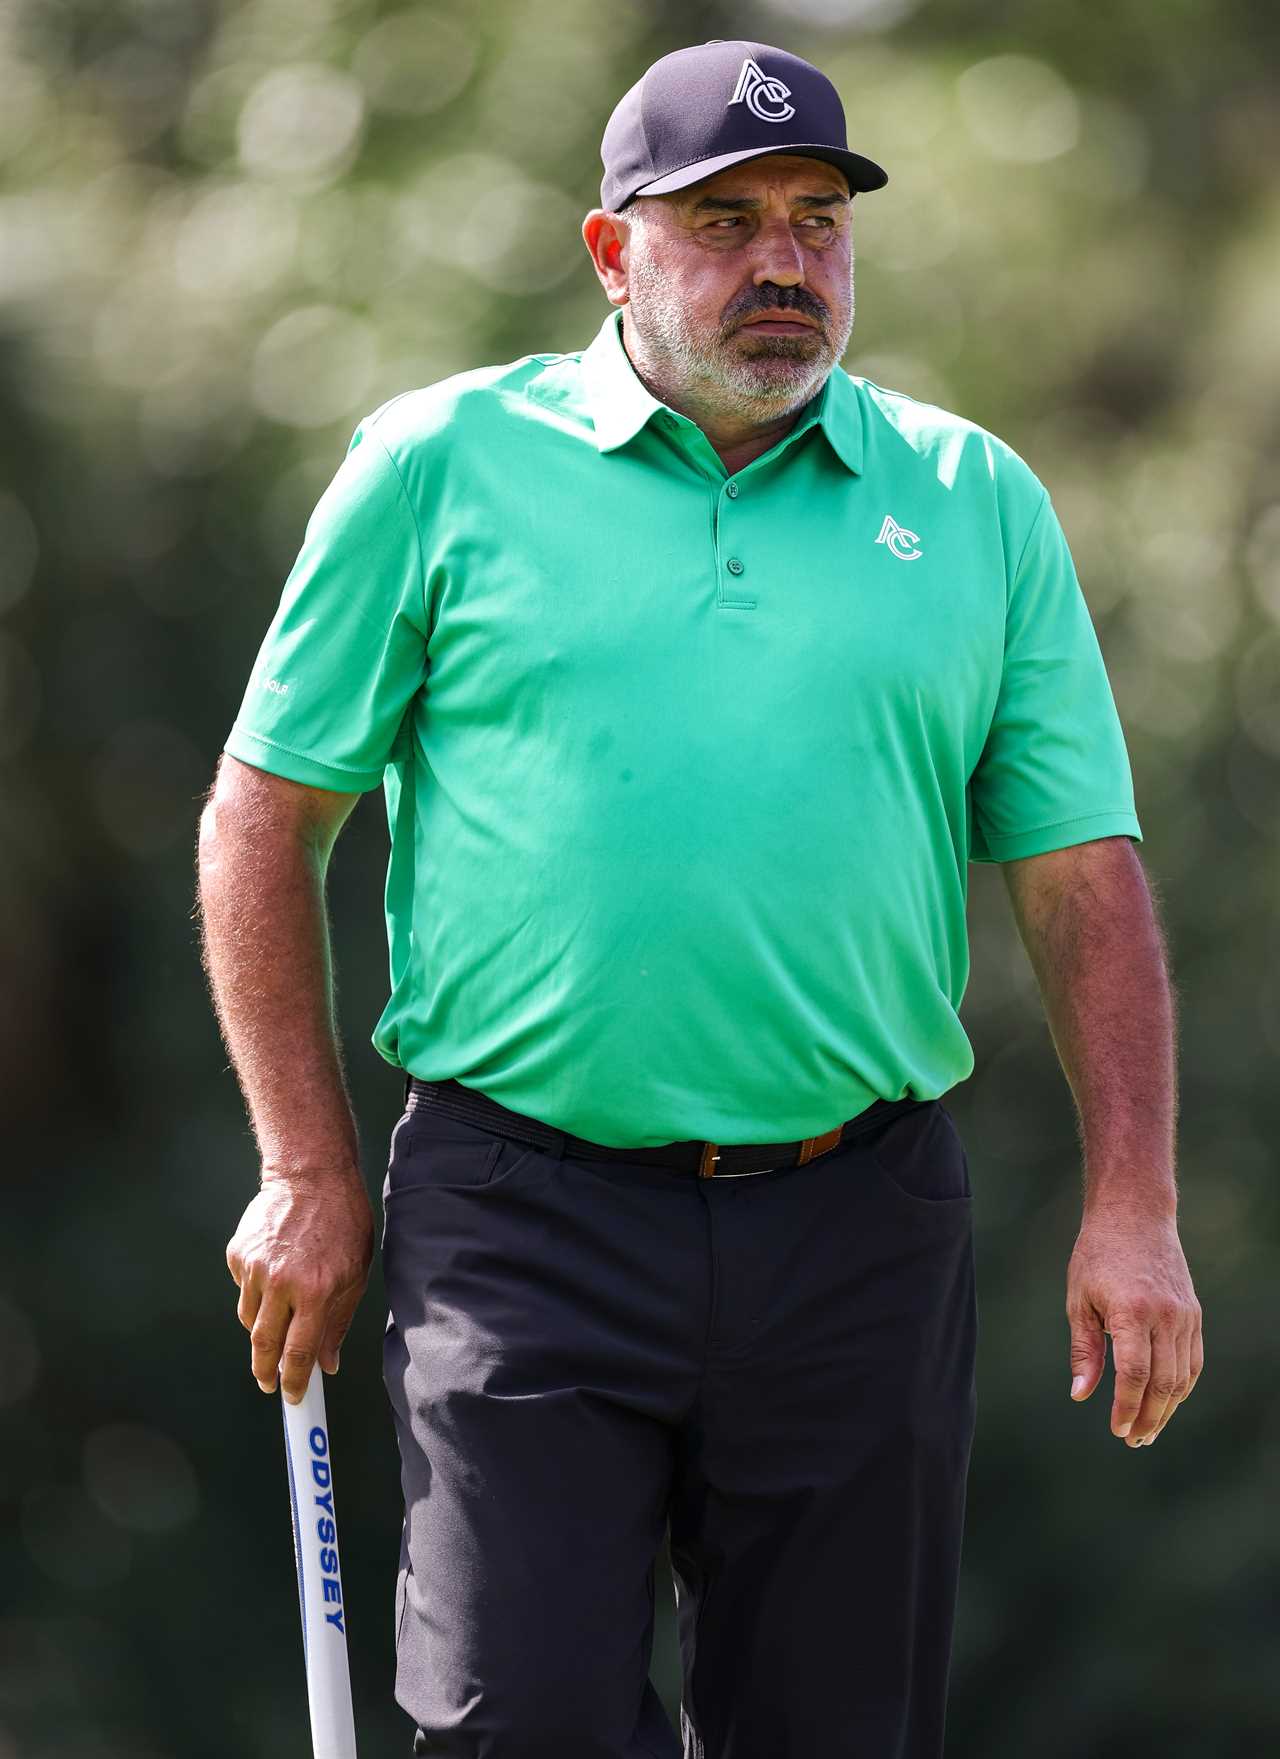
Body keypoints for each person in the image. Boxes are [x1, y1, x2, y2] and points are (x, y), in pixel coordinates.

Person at [197, 37, 1203, 1759]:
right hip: (522, 1217)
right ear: (614, 252)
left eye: (818, 221)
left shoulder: (971, 501)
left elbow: (1081, 870)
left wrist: (1135, 1202)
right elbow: (264, 815)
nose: (784, 265)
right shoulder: (439, 463)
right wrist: (307, 1166)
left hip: (859, 1223)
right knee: (518, 1728)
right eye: (724, 222)